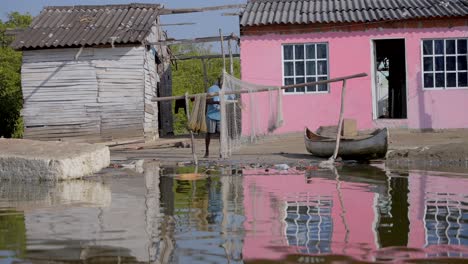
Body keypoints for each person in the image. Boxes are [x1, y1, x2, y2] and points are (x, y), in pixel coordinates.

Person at [204, 77, 223, 158]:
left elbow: (232, 99)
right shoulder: (212, 88)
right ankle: (207, 151)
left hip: (220, 115)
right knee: (209, 133)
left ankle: (222, 151)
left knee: (221, 134)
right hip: (211, 115)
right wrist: (217, 102)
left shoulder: (227, 89)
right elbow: (207, 101)